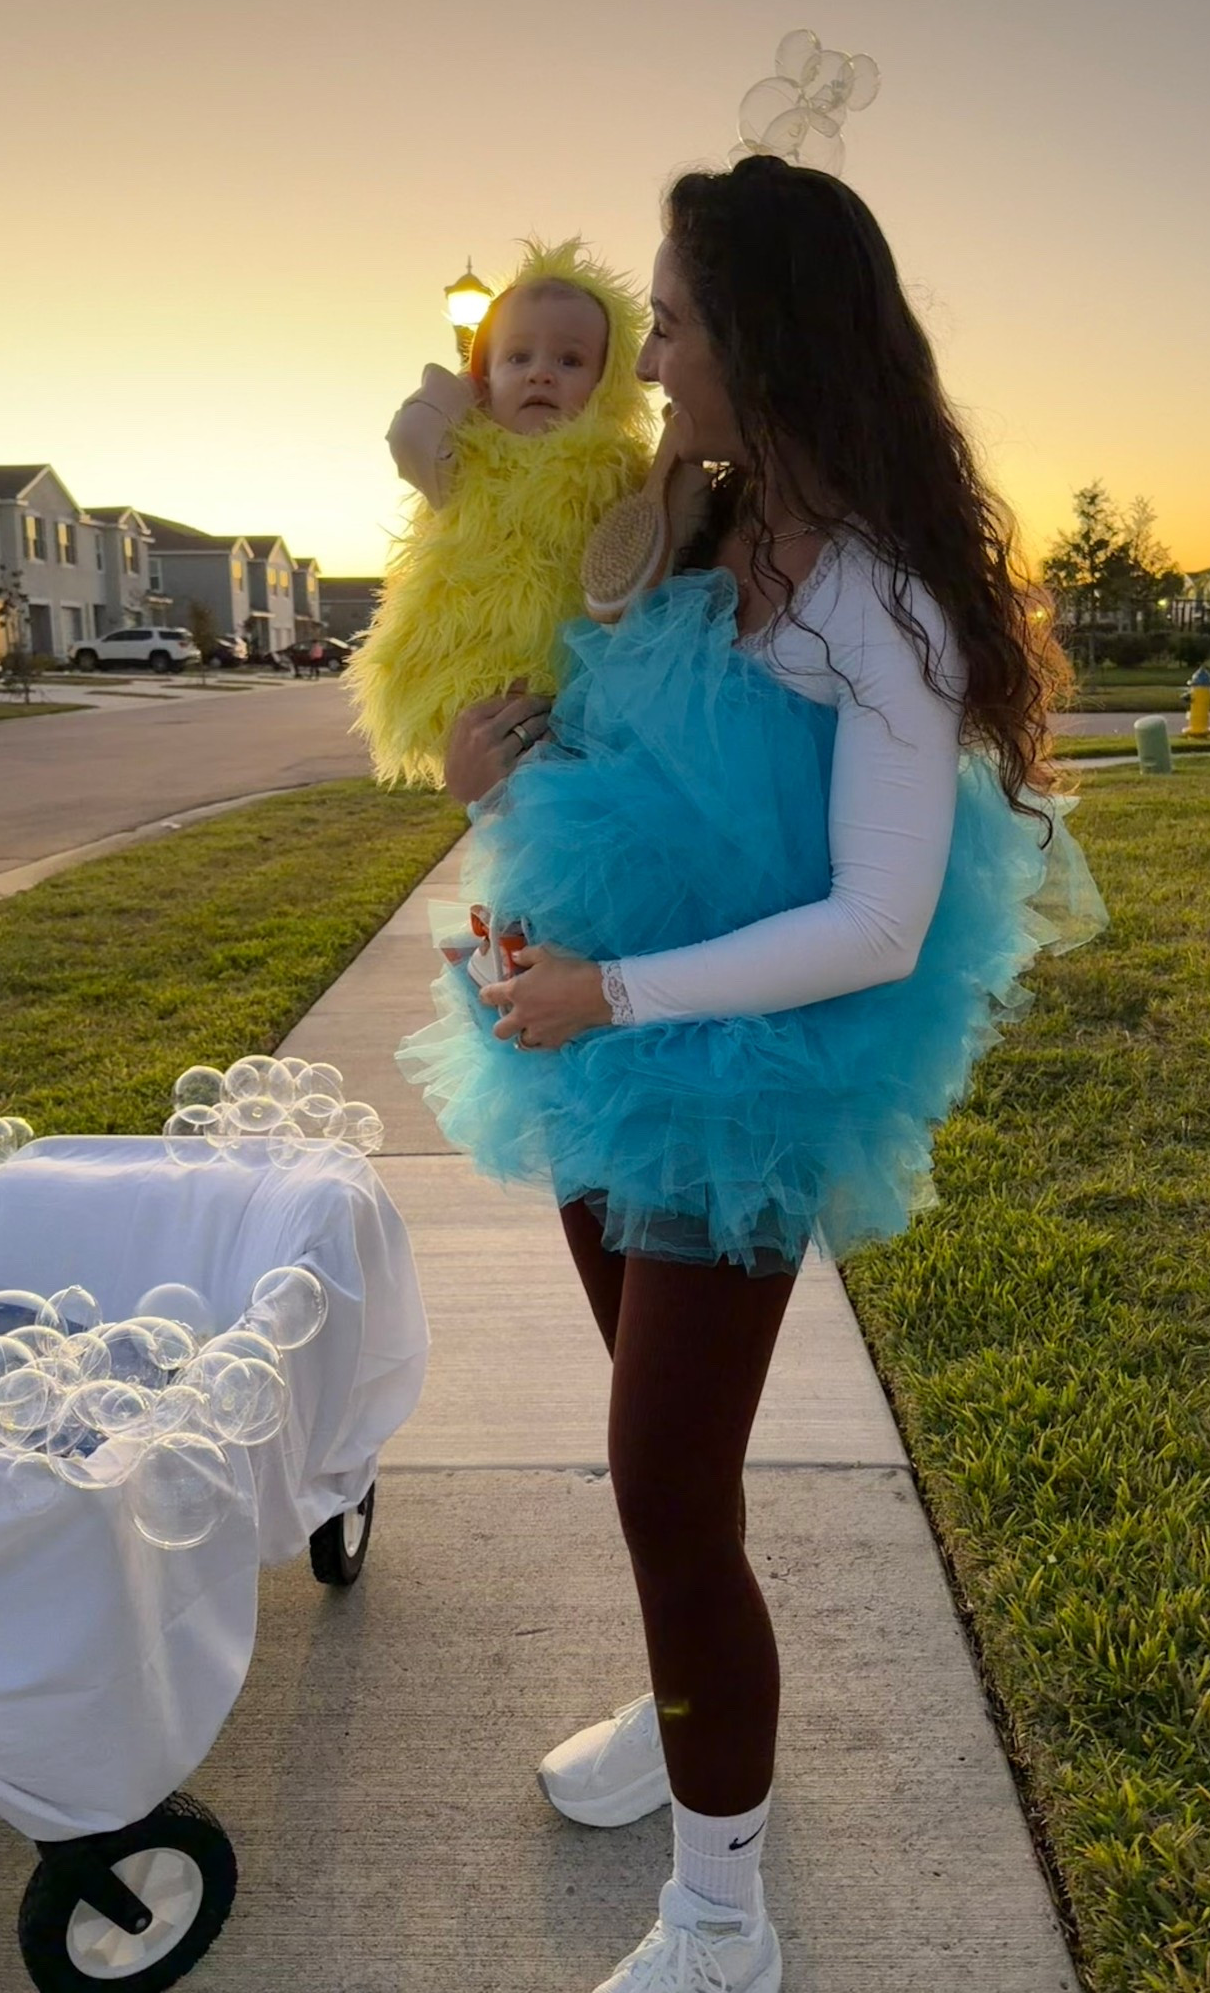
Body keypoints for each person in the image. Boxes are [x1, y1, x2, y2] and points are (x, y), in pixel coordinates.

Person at [399, 157, 1107, 1993]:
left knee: (659, 1472)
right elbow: (617, 728)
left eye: (682, 318)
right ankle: (678, 1699)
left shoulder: (881, 593)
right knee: (666, 1463)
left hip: (739, 1064)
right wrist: (500, 778)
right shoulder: (687, 528)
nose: (654, 352)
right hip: (592, 1033)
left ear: (769, 336)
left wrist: (611, 991)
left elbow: (877, 917)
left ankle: (724, 1913)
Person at [344, 239, 654, 787]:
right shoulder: (467, 464)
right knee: (520, 833)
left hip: (582, 707)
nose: (541, 374)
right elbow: (409, 434)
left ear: (608, 384)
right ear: (485, 378)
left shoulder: (619, 471)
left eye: (570, 359)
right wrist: (470, 383)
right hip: (484, 707)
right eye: (518, 357)